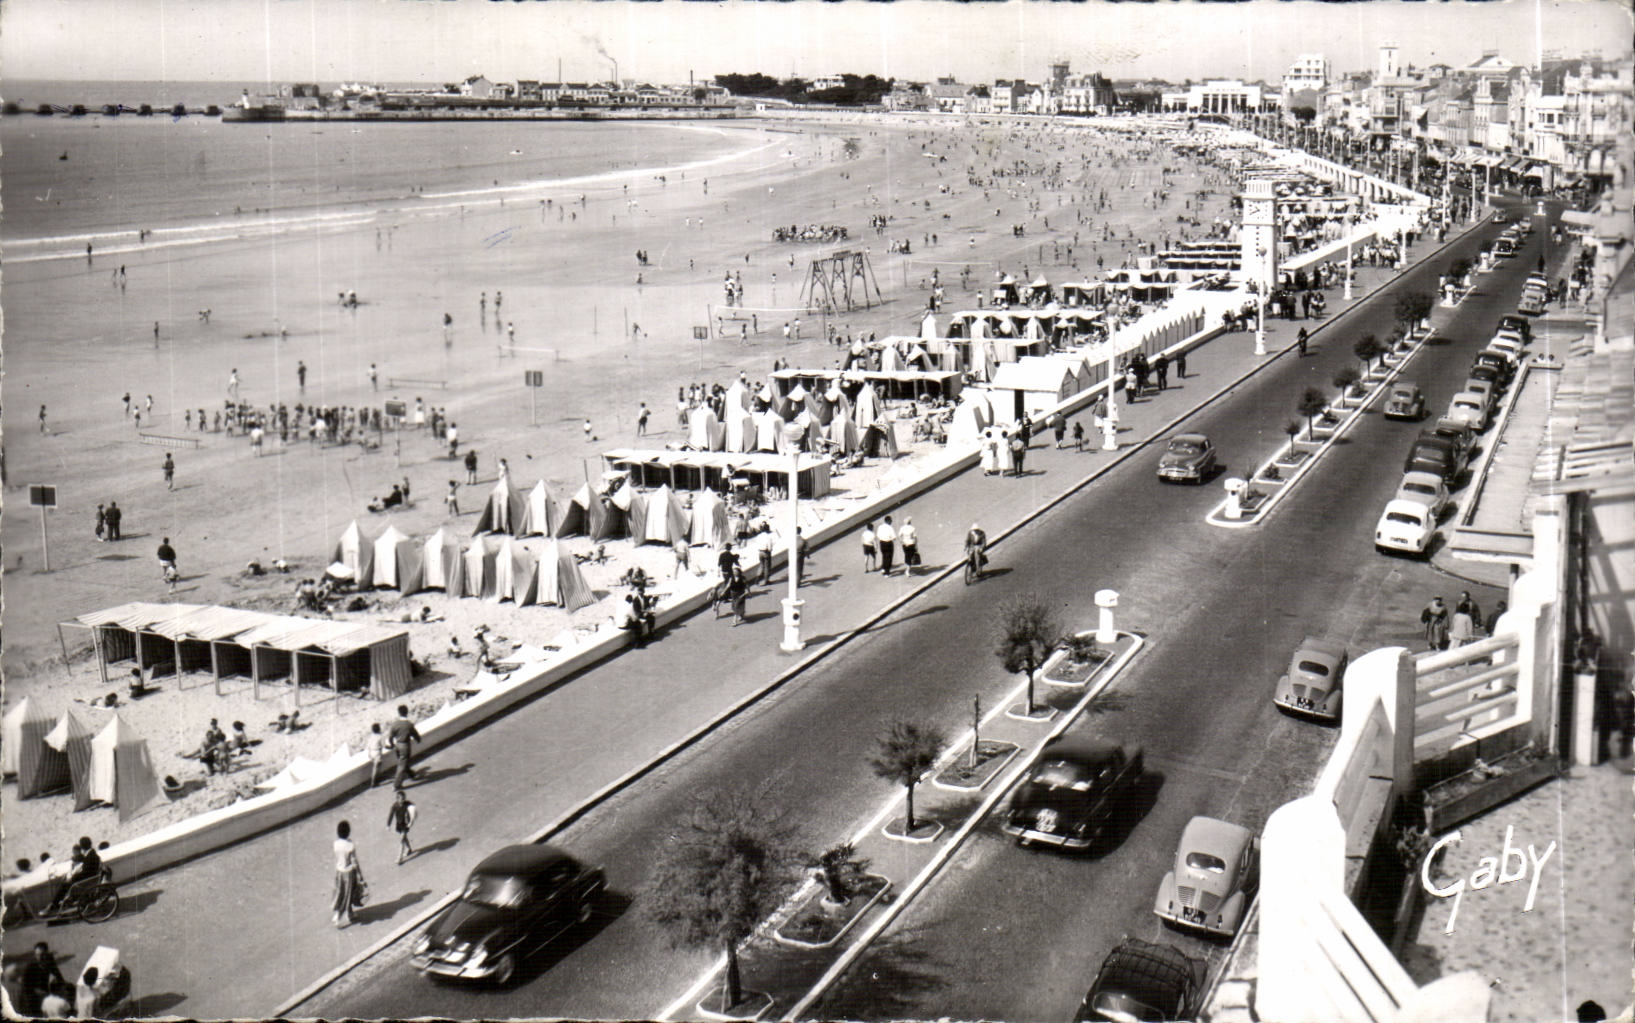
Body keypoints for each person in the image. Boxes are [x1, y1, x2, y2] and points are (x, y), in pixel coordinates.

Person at [331, 819, 363, 928]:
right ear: (348, 832)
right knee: (348, 894)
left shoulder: (335, 844)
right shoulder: (350, 845)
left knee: (340, 892)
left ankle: (350, 913)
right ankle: (338, 916)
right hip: (349, 873)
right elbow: (354, 862)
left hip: (339, 872)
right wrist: (360, 876)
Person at [388, 704, 422, 790]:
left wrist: (392, 744)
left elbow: (390, 737)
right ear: (407, 713)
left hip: (398, 745)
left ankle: (411, 775)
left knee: (403, 762)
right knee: (402, 765)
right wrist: (418, 740)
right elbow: (415, 735)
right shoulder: (409, 725)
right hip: (405, 746)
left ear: (399, 713)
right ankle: (396, 785)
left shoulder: (395, 724)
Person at [387, 790, 417, 864]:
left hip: (405, 825)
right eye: (401, 799)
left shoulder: (408, 804)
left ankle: (399, 858)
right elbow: (391, 815)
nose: (403, 800)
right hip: (399, 824)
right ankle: (409, 849)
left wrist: (411, 821)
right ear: (397, 799)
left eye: (404, 798)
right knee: (404, 838)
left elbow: (413, 811)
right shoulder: (395, 806)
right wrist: (388, 825)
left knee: (401, 840)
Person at [365, 722, 386, 788]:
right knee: (376, 768)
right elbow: (384, 745)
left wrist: (369, 754)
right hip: (377, 752)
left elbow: (368, 746)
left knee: (377, 766)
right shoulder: (380, 736)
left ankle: (376, 779)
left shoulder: (371, 736)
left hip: (371, 752)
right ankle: (373, 782)